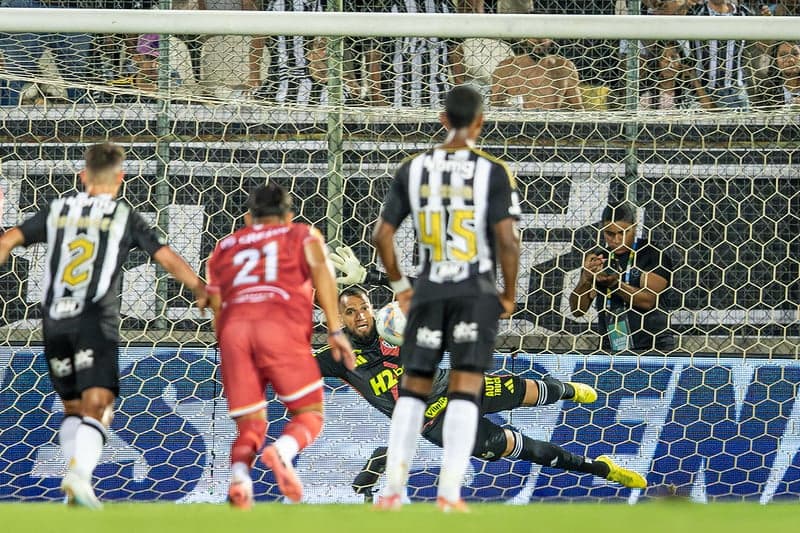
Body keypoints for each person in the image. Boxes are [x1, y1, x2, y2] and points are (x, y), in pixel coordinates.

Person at [0, 142, 208, 508]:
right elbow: (166, 257)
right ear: (121, 178)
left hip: (54, 321)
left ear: (83, 176)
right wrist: (200, 288)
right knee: (101, 405)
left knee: (73, 408)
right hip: (94, 318)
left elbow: (8, 240)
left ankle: (77, 483)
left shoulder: (57, 209)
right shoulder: (122, 215)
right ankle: (79, 477)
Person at [316, 287, 647, 496]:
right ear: (340, 319)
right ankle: (602, 468)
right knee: (523, 448)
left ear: (373, 309)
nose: (360, 316)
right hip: (435, 422)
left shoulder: (393, 321)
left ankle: (566, 390)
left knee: (524, 390)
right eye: (350, 311)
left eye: (364, 308)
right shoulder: (337, 355)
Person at [372, 85, 521, 512]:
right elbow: (508, 241)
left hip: (429, 290)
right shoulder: (493, 170)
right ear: (480, 122)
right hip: (474, 291)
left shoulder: (413, 167)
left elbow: (382, 235)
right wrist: (508, 293)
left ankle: (392, 493)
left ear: (442, 119)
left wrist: (402, 288)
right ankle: (449, 494)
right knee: (465, 388)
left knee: (413, 390)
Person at [205, 183, 355, 509]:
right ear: (288, 215)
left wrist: (230, 345)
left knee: (251, 423)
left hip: (234, 333)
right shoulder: (301, 235)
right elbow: (322, 270)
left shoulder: (224, 246)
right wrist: (334, 329)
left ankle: (240, 480)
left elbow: (215, 300)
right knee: (310, 412)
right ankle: (283, 452)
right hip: (280, 326)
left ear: (248, 217)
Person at [569, 202, 675, 353]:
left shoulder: (652, 254)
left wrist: (615, 285)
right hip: (610, 348)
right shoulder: (600, 259)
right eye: (610, 234)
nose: (617, 239)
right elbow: (578, 310)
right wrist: (586, 278)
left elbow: (648, 301)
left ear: (634, 227)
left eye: (623, 233)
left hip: (653, 348)